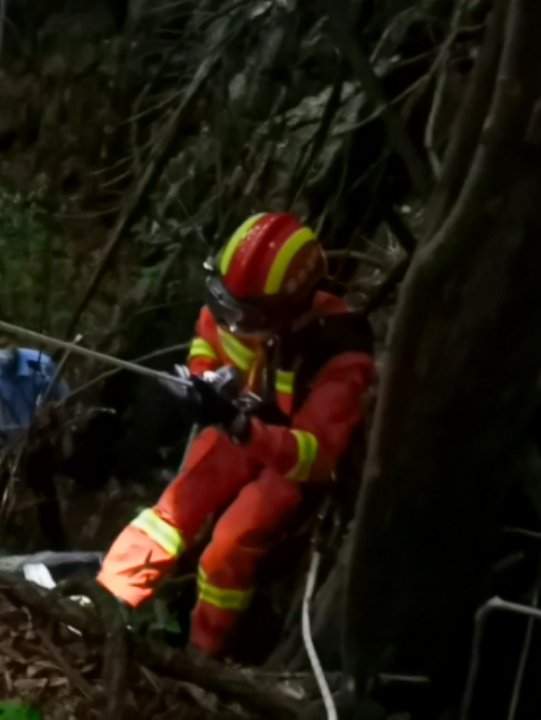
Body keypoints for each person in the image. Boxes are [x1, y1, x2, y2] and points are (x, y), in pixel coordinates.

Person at [96, 212, 375, 656]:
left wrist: (242, 427)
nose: (229, 321)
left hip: (287, 459)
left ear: (285, 312)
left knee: (228, 547)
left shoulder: (340, 353)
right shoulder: (238, 303)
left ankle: (203, 654)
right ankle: (104, 603)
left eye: (241, 315)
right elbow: (208, 336)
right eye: (224, 304)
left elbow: (315, 455)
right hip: (237, 425)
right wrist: (203, 380)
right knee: (172, 511)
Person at [0, 334, 71, 548]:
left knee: (43, 489)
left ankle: (56, 542)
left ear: (15, 350)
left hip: (36, 436)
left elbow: (62, 395)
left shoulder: (39, 363)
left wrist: (55, 421)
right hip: (2, 437)